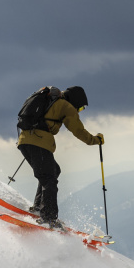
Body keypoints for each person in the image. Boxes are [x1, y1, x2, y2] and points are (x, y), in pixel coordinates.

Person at [17, 85, 104, 229]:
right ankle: (49, 218)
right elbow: (78, 130)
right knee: (49, 178)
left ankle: (39, 208)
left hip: (24, 141)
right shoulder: (66, 106)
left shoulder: (50, 101)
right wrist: (95, 140)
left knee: (53, 171)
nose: (79, 111)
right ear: (75, 101)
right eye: (81, 108)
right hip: (39, 143)